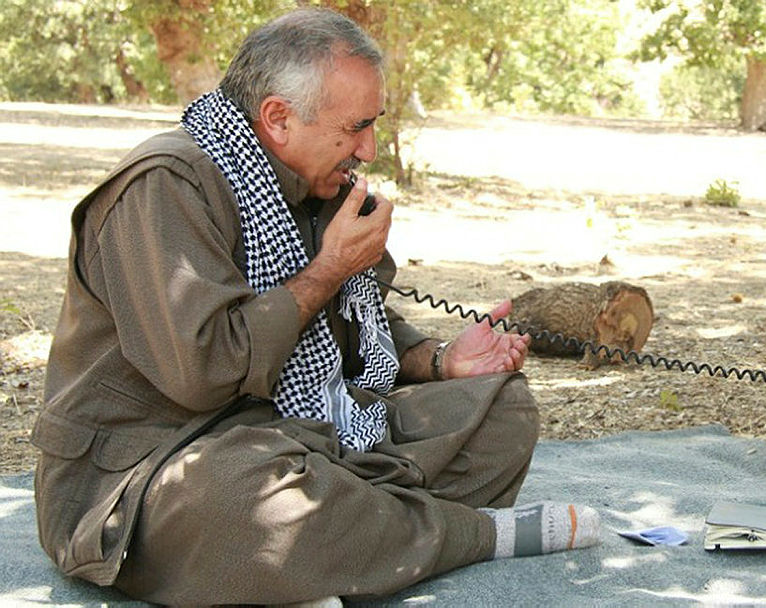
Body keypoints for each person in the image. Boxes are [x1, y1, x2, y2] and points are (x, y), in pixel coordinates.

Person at [32, 8, 600, 606]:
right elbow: (204, 374)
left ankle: (338, 548)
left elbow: (354, 328)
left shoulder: (315, 183)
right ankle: (469, 535)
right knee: (254, 497)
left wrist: (439, 361)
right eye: (356, 128)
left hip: (314, 436)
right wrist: (327, 270)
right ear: (278, 118)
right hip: (159, 462)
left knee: (501, 410)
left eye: (373, 126)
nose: (369, 149)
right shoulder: (166, 185)